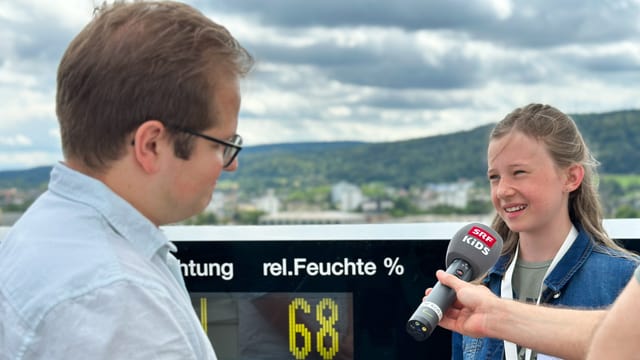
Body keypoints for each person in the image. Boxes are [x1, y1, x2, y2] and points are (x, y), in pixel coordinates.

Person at [0, 1, 253, 359]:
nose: (230, 166)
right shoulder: (119, 305)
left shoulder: (41, 232)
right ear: (151, 145)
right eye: (222, 144)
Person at [449, 104, 639, 360]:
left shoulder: (624, 280)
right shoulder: (477, 286)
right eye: (494, 177)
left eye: (519, 173)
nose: (503, 190)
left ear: (571, 177)